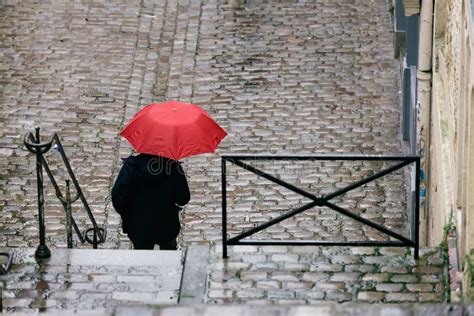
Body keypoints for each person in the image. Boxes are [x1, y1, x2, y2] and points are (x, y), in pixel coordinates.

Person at [111, 153, 190, 250]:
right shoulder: (173, 167)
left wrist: (128, 214)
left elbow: (117, 196)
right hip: (167, 225)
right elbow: (183, 199)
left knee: (141, 260)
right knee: (169, 259)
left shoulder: (131, 167)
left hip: (139, 227)